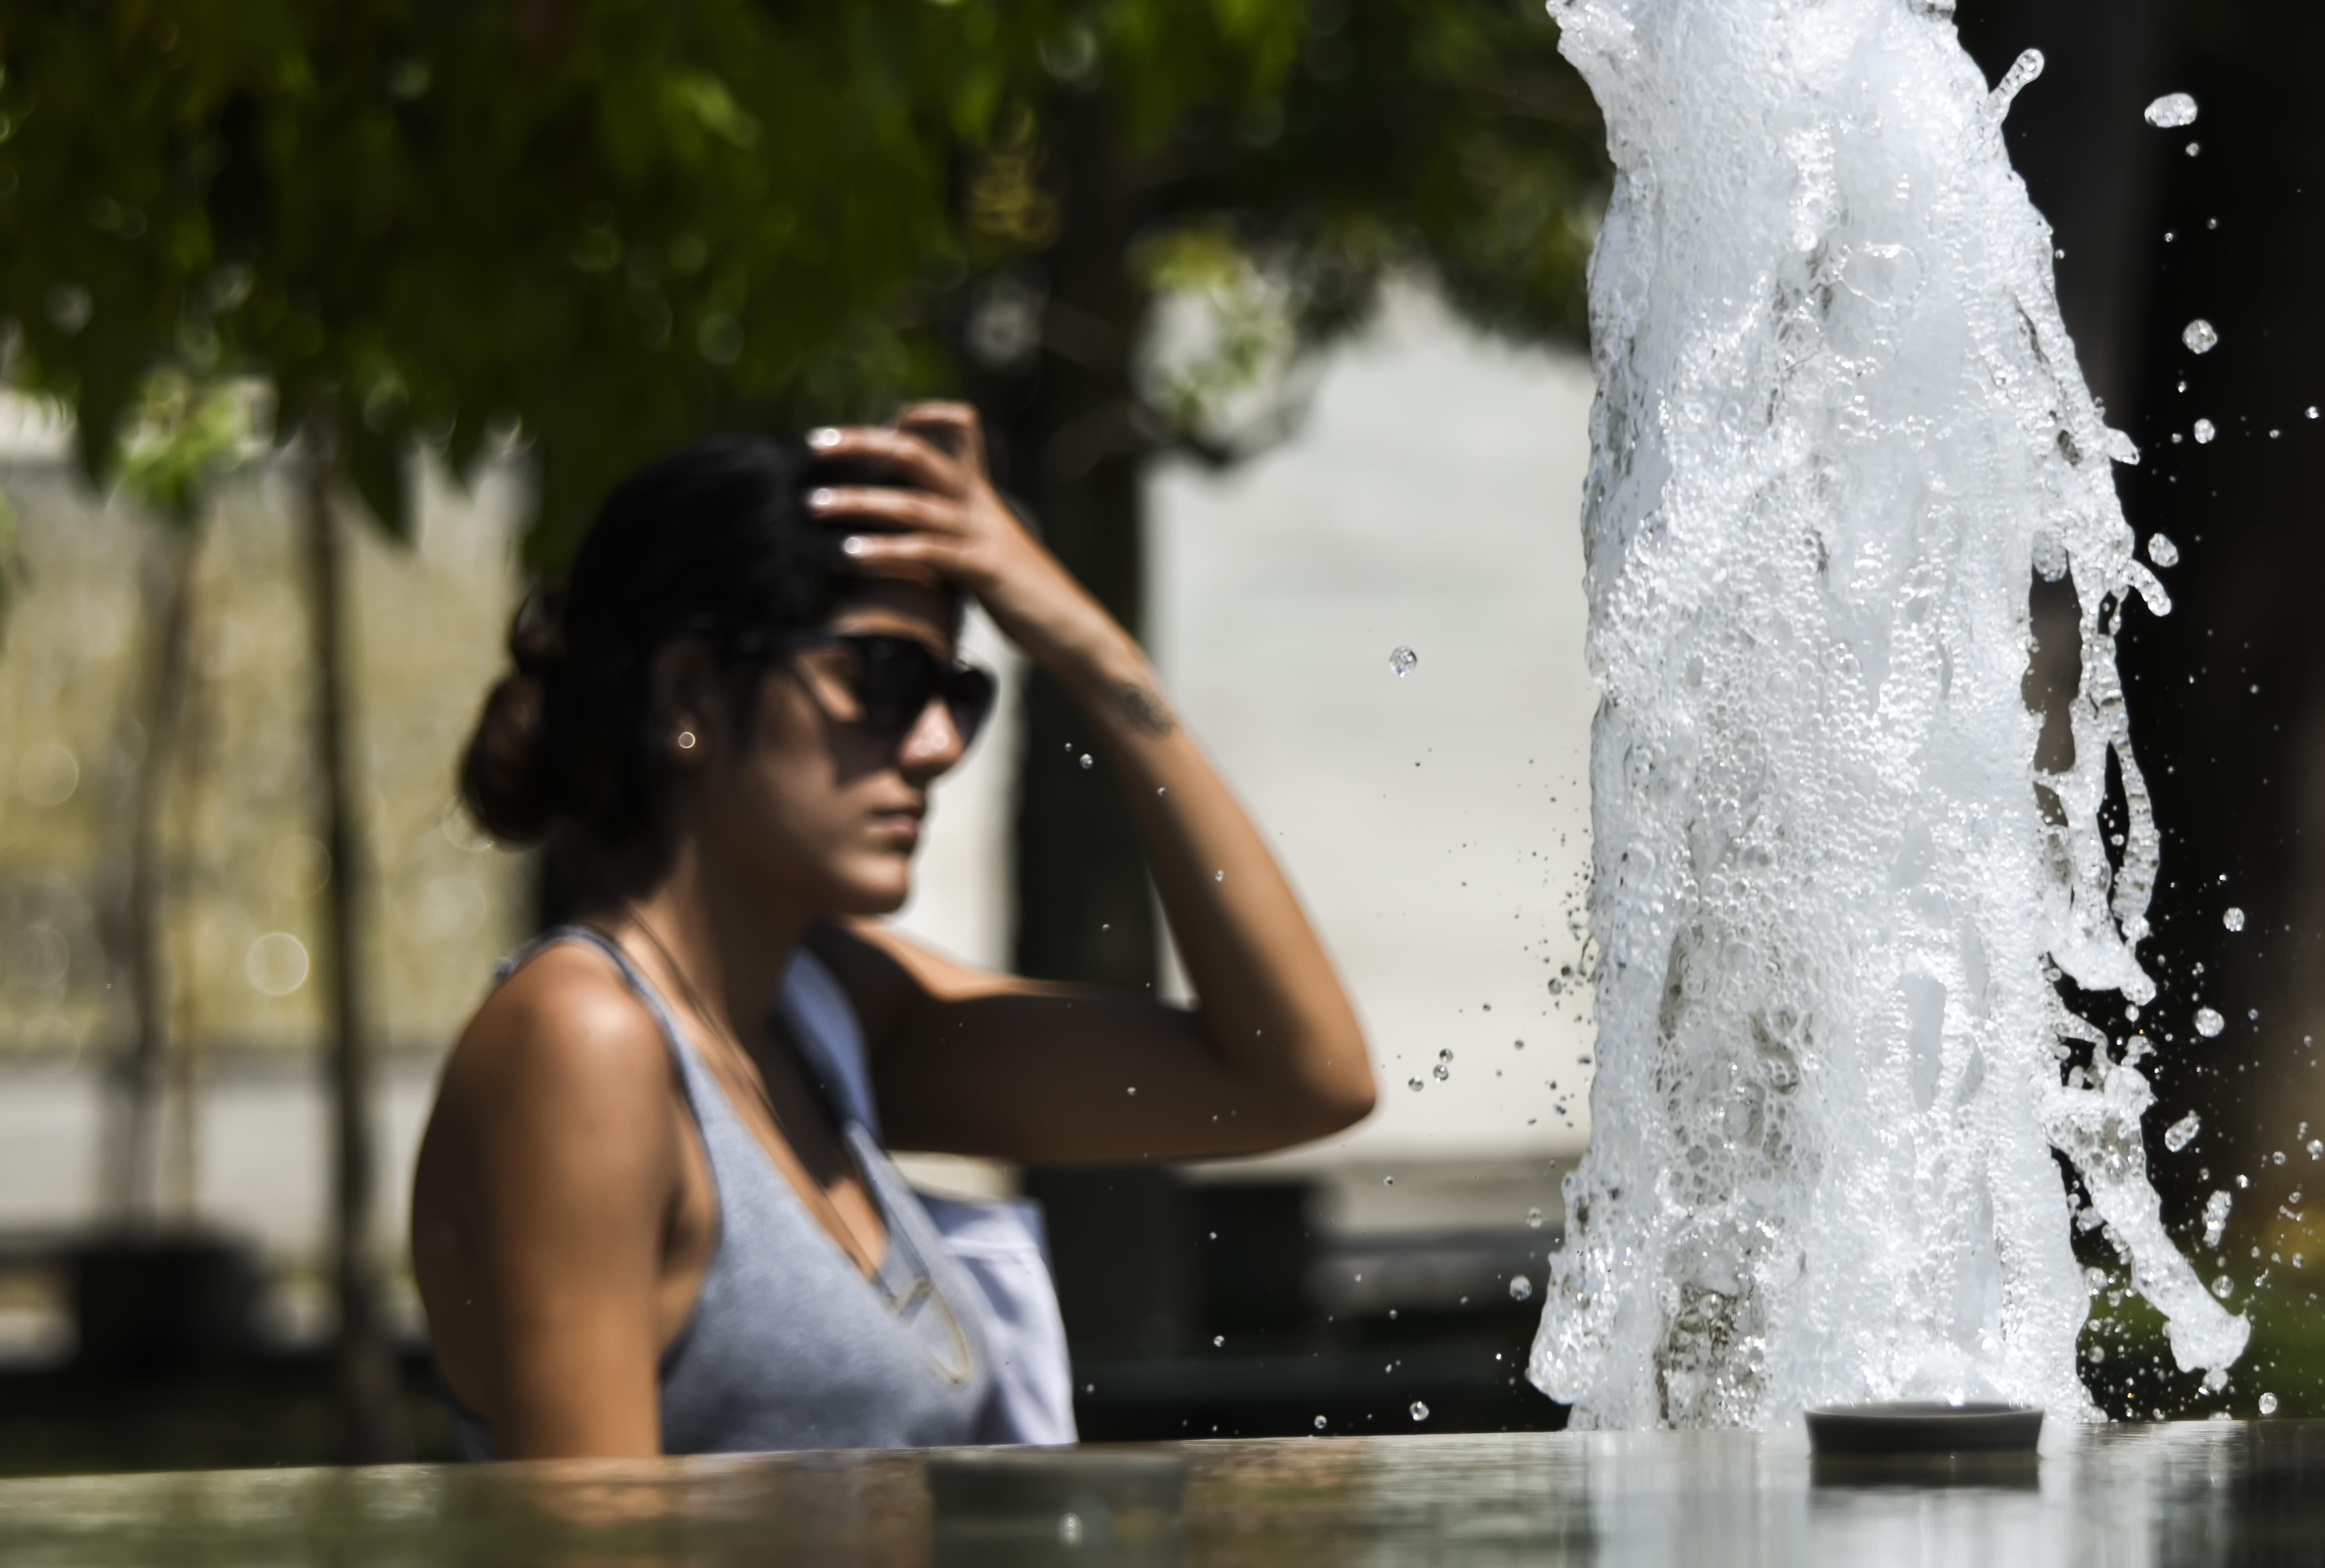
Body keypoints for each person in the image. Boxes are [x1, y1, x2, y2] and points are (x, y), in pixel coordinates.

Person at [409, 403, 1376, 1459]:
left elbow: (1298, 1075)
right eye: (880, 677)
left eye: (958, 692)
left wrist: (1094, 652)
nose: (934, 746)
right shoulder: (581, 1042)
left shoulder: (824, 1019)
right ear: (690, 693)